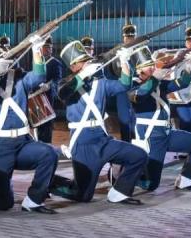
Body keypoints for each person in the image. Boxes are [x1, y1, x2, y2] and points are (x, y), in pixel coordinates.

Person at [0, 33, 59, 214]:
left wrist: (37, 50)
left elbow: (38, 76)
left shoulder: (18, 77)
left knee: (49, 154)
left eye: (0, 57)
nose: (0, 61)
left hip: (23, 143)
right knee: (4, 203)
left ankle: (34, 200)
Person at [48, 40, 147, 205]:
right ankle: (47, 182)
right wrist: (82, 75)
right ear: (73, 67)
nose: (88, 62)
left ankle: (119, 192)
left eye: (88, 59)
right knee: (83, 195)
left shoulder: (100, 82)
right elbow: (63, 93)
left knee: (138, 155)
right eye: (83, 61)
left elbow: (124, 84)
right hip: (83, 145)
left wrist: (123, 61)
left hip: (103, 140)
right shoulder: (66, 83)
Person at [130, 45, 191, 192]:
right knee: (151, 185)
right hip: (151, 139)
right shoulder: (132, 85)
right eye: (148, 67)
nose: (153, 69)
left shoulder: (159, 83)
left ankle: (185, 181)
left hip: (167, 133)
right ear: (139, 71)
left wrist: (189, 63)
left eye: (152, 66)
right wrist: (156, 77)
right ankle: (124, 172)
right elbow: (140, 95)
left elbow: (183, 82)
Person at [106, 23, 138, 142]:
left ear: (135, 36)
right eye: (127, 37)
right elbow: (109, 71)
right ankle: (126, 143)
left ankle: (139, 143)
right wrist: (116, 84)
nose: (129, 39)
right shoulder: (116, 52)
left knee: (137, 118)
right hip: (122, 91)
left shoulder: (141, 50)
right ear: (123, 37)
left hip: (137, 89)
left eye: (131, 37)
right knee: (124, 118)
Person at [34, 37, 62, 144]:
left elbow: (58, 79)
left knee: (46, 124)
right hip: (36, 96)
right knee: (37, 123)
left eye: (49, 47)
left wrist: (48, 85)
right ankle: (38, 143)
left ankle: (46, 145)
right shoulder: (37, 62)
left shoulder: (55, 63)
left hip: (48, 97)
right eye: (45, 47)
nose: (48, 50)